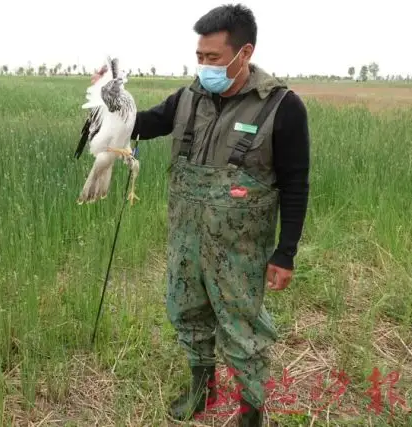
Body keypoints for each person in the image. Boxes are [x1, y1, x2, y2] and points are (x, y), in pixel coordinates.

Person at [91, 4, 310, 426]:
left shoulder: (282, 108)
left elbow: (296, 184)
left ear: (244, 53)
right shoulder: (189, 97)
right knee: (186, 313)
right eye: (199, 57)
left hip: (240, 250)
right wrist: (110, 106)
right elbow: (147, 123)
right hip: (186, 240)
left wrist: (286, 253)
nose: (204, 65)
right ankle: (202, 388)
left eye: (213, 58)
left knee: (243, 330)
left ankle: (251, 410)